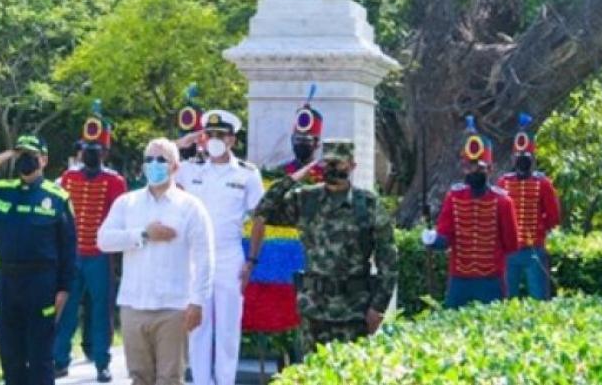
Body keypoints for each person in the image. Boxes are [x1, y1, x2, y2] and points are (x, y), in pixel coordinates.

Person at [250, 139, 397, 354]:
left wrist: (378, 308)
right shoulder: (306, 200)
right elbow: (262, 211)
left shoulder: (367, 205)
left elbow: (389, 261)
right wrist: (292, 179)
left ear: (352, 166)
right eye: (327, 164)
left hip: (353, 311)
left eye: (339, 164)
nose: (332, 169)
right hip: (313, 309)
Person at [0, 135, 76, 385]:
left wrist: (64, 290)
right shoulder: (2, 192)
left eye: (31, 156)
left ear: (44, 160)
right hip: (8, 282)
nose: (26, 161)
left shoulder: (56, 198)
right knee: (11, 357)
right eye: (21, 156)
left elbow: (68, 249)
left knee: (41, 358)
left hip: (41, 283)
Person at [97, 138, 214, 385]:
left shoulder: (190, 207)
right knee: (139, 378)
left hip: (173, 307)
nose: (154, 164)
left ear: (175, 167)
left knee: (170, 378)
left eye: (161, 159)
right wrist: (142, 234)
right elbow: (104, 240)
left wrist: (197, 302)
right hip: (133, 305)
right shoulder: (127, 203)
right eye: (149, 159)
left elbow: (205, 257)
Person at [175, 110, 264, 385]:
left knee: (227, 328)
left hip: (229, 256)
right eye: (209, 134)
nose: (214, 140)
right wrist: (184, 142)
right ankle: (202, 381)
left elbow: (260, 218)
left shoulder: (248, 174)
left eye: (220, 135)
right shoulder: (192, 169)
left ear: (231, 140)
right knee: (197, 326)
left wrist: (251, 260)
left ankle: (225, 381)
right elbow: (161, 159)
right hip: (197, 257)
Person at [54, 108, 127, 382]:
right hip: (72, 256)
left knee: (100, 311)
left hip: (100, 256)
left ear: (105, 152)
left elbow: (120, 217)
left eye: (95, 149)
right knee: (67, 309)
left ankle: (101, 362)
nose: (90, 153)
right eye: (86, 148)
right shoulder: (69, 178)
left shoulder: (114, 181)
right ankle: (59, 359)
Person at [422, 116, 519, 308]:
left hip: (491, 280)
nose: (473, 171)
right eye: (469, 166)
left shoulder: (503, 201)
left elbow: (511, 244)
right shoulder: (454, 197)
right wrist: (433, 240)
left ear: (490, 169)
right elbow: (445, 235)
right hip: (460, 280)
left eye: (479, 167)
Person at [496, 113, 561, 300]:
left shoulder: (542, 183)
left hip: (534, 248)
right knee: (506, 300)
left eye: (526, 155)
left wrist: (539, 230)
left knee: (540, 298)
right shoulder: (504, 182)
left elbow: (553, 216)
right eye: (519, 155)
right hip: (509, 251)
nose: (522, 159)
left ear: (532, 157)